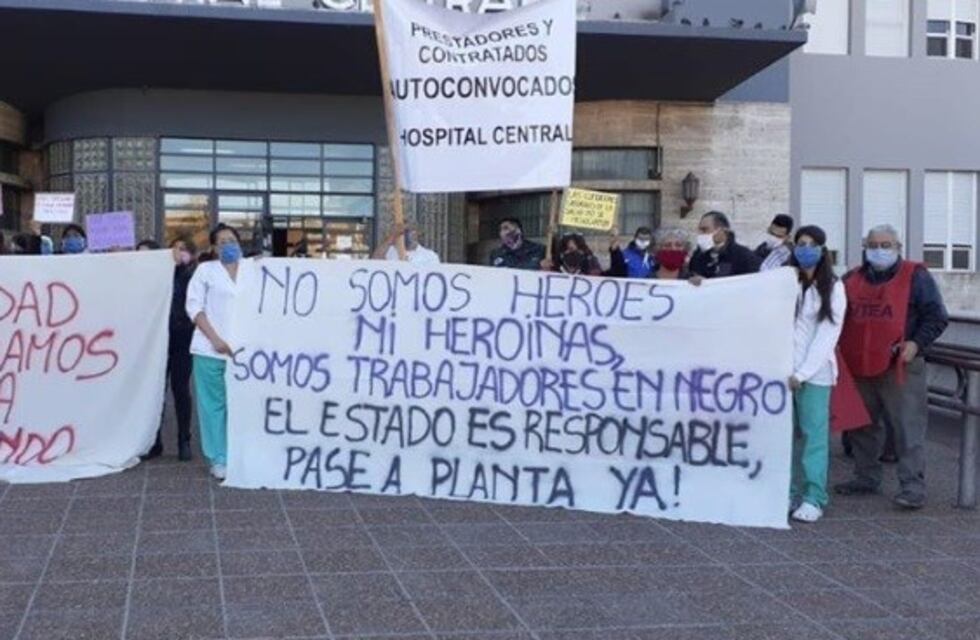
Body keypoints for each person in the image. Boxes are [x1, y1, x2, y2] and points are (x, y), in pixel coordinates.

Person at [834, 224, 949, 510]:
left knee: (907, 428)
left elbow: (936, 316)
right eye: (873, 245)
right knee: (861, 425)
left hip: (900, 365)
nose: (879, 250)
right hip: (859, 364)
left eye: (886, 245)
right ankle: (866, 477)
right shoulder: (851, 279)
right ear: (865, 247)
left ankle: (912, 487)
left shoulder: (916, 276)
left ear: (898, 247)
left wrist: (915, 344)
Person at [787, 225, 847, 523]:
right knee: (785, 437)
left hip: (814, 375)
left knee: (813, 437)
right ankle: (788, 490)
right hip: (782, 374)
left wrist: (803, 372)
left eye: (810, 244)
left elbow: (827, 336)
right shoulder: (787, 282)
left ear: (822, 249)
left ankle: (813, 496)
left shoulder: (833, 287)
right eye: (800, 243)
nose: (804, 249)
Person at [186, 224, 254, 480]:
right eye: (222, 242)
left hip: (245, 353)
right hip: (209, 350)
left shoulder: (253, 269)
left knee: (241, 404)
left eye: (232, 240)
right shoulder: (206, 271)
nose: (229, 245)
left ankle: (240, 453)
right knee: (214, 406)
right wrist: (215, 339)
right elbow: (194, 308)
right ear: (214, 248)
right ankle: (219, 457)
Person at [141, 237, 197, 462]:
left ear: (192, 255)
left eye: (184, 249)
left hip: (183, 337)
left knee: (181, 389)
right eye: (175, 248)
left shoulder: (194, 276)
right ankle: (155, 440)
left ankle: (184, 439)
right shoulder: (157, 275)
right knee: (156, 391)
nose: (178, 253)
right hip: (157, 339)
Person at [689, 211, 761, 279]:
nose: (701, 234)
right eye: (700, 230)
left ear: (722, 230)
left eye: (705, 230)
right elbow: (688, 275)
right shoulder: (698, 256)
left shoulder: (743, 256)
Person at [374, 223, 440, 265]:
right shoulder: (389, 250)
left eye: (407, 231)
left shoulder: (429, 256)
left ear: (416, 233)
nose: (405, 235)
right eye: (401, 232)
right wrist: (392, 237)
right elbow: (375, 261)